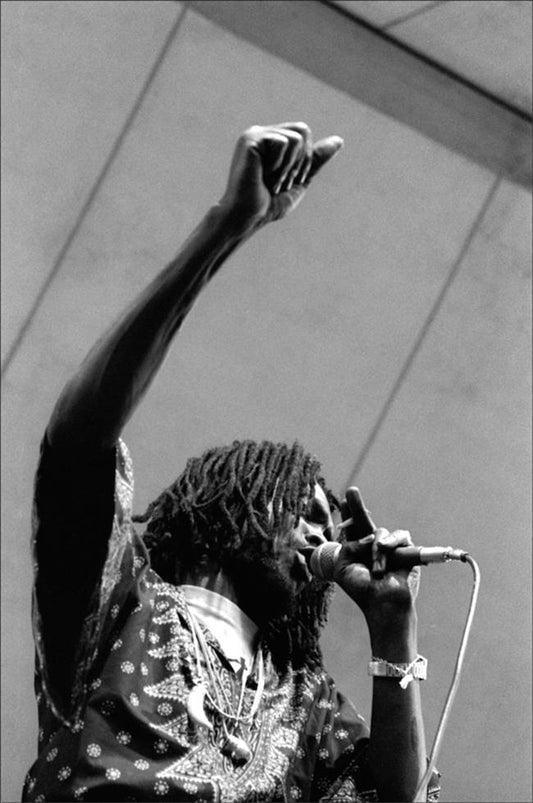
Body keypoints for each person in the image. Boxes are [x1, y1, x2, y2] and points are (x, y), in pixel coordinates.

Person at [23, 122, 440, 802]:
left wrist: (394, 624)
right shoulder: (125, 597)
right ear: (226, 502)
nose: (320, 533)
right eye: (300, 506)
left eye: (328, 524)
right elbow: (76, 441)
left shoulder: (306, 700)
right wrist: (224, 230)